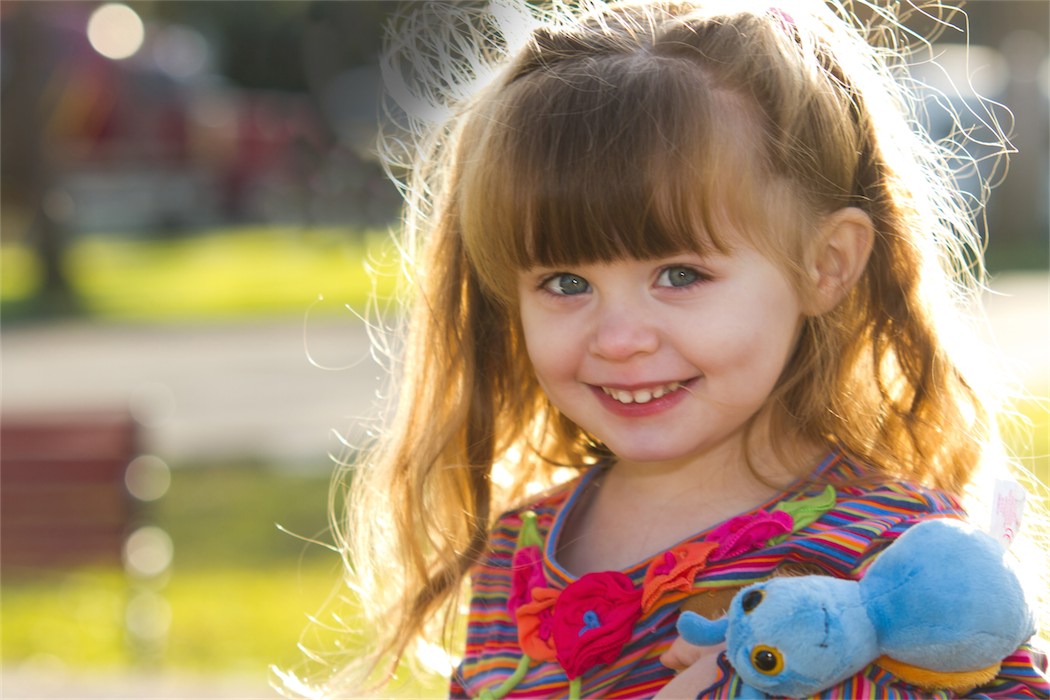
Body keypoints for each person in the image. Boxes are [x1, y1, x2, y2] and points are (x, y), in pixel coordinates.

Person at [278, 0, 1049, 697]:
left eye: (679, 274)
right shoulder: (518, 552)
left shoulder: (898, 556)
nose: (618, 339)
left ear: (826, 265)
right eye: (564, 281)